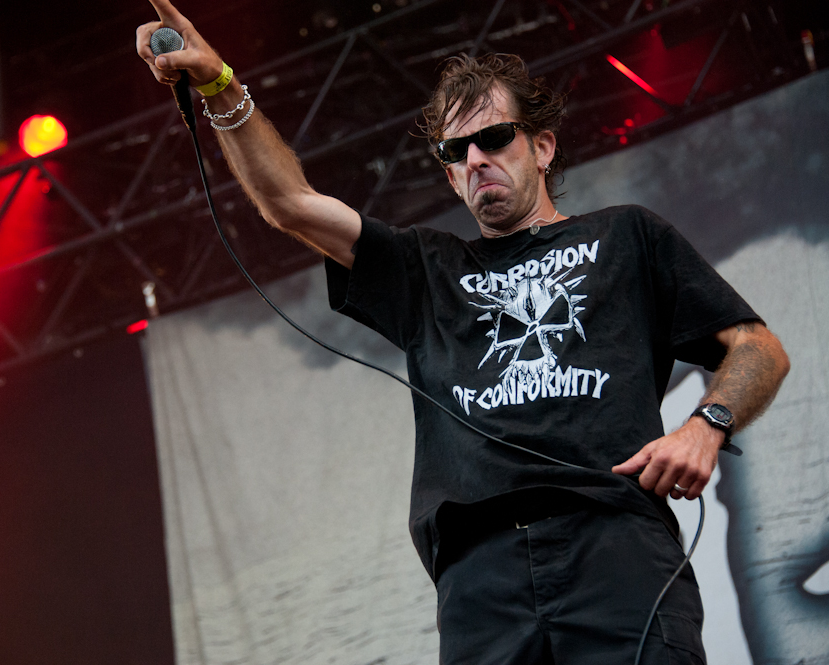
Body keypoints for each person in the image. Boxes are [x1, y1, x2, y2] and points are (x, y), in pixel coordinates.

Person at [137, 2, 791, 662]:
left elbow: (757, 347)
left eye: (494, 138)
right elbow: (289, 204)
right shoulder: (427, 267)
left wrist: (707, 422)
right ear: (449, 174)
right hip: (481, 580)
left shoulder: (627, 235)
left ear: (541, 145)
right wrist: (221, 82)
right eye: (457, 151)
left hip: (616, 545)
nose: (476, 159)